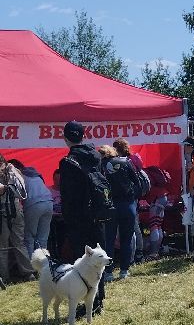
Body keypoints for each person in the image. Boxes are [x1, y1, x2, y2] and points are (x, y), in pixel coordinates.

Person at [59, 121, 107, 314]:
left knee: (83, 261)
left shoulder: (68, 162)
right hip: (97, 214)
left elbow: (68, 196)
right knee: (98, 258)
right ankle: (98, 300)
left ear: (66, 138)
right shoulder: (96, 156)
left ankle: (88, 303)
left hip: (79, 217)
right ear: (83, 136)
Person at [101, 142, 141, 280]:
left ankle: (108, 272)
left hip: (110, 205)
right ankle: (124, 270)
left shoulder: (101, 166)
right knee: (126, 239)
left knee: (109, 240)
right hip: (127, 205)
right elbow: (137, 182)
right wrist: (132, 197)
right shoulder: (126, 162)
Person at [0, 154, 35, 283]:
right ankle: (26, 273)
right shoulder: (13, 170)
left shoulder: (10, 171)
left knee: (5, 245)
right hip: (15, 210)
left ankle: (5, 276)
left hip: (8, 211)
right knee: (17, 242)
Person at [14, 162, 54, 256]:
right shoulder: (35, 174)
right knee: (43, 238)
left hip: (33, 204)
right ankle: (44, 264)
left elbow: (17, 196)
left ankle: (31, 266)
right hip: (48, 202)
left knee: (29, 237)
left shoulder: (19, 177)